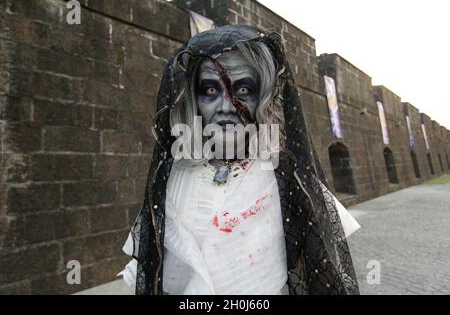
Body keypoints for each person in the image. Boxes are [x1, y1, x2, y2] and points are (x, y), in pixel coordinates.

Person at [120, 25, 360, 295]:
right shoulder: (171, 176)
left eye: (243, 90)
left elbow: (318, 270)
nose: (226, 106)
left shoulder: (291, 180)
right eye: (210, 90)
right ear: (193, 99)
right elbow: (152, 269)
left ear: (264, 95)